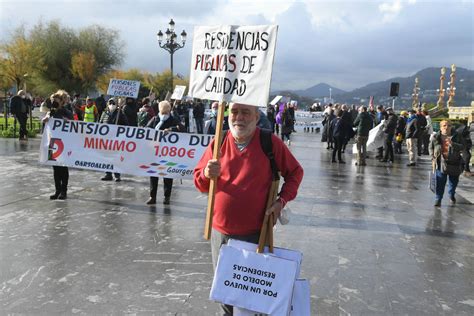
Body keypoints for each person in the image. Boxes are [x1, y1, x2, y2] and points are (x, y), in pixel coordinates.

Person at [193, 103, 304, 315]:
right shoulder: (219, 141)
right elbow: (200, 182)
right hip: (219, 231)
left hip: (254, 234)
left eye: (246, 112)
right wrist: (207, 173)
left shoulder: (269, 142)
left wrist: (281, 201)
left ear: (256, 116)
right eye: (235, 112)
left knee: (249, 298)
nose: (239, 118)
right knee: (223, 292)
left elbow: (295, 172)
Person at [145, 100, 185, 205]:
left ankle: (167, 197)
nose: (164, 115)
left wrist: (171, 130)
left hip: (168, 153)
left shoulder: (173, 120)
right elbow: (146, 130)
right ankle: (152, 196)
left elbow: (183, 129)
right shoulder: (155, 119)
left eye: (166, 113)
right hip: (155, 152)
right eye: (162, 113)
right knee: (153, 174)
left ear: (169, 111)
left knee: (167, 174)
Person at [42, 90, 74, 199]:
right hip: (53, 143)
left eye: (55, 101)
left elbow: (72, 122)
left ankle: (64, 191)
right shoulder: (51, 111)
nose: (53, 103)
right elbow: (45, 123)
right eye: (52, 101)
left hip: (64, 144)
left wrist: (66, 120)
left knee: (63, 167)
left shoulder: (66, 111)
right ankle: (57, 190)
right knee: (56, 168)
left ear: (61, 102)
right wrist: (46, 119)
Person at [429, 120, 465, 207]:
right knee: (440, 182)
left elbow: (463, 146)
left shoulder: (457, 136)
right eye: (444, 125)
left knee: (453, 182)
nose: (446, 127)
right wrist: (432, 157)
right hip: (441, 162)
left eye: (449, 125)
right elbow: (431, 147)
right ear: (441, 127)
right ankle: (438, 199)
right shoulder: (436, 136)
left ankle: (451, 194)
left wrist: (452, 144)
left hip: (454, 162)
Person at [99, 98, 128, 182]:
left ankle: (117, 175)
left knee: (116, 157)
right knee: (106, 157)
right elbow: (100, 124)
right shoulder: (104, 113)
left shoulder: (120, 113)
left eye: (113, 103)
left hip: (116, 140)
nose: (112, 104)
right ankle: (108, 174)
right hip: (106, 139)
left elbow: (126, 125)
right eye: (110, 102)